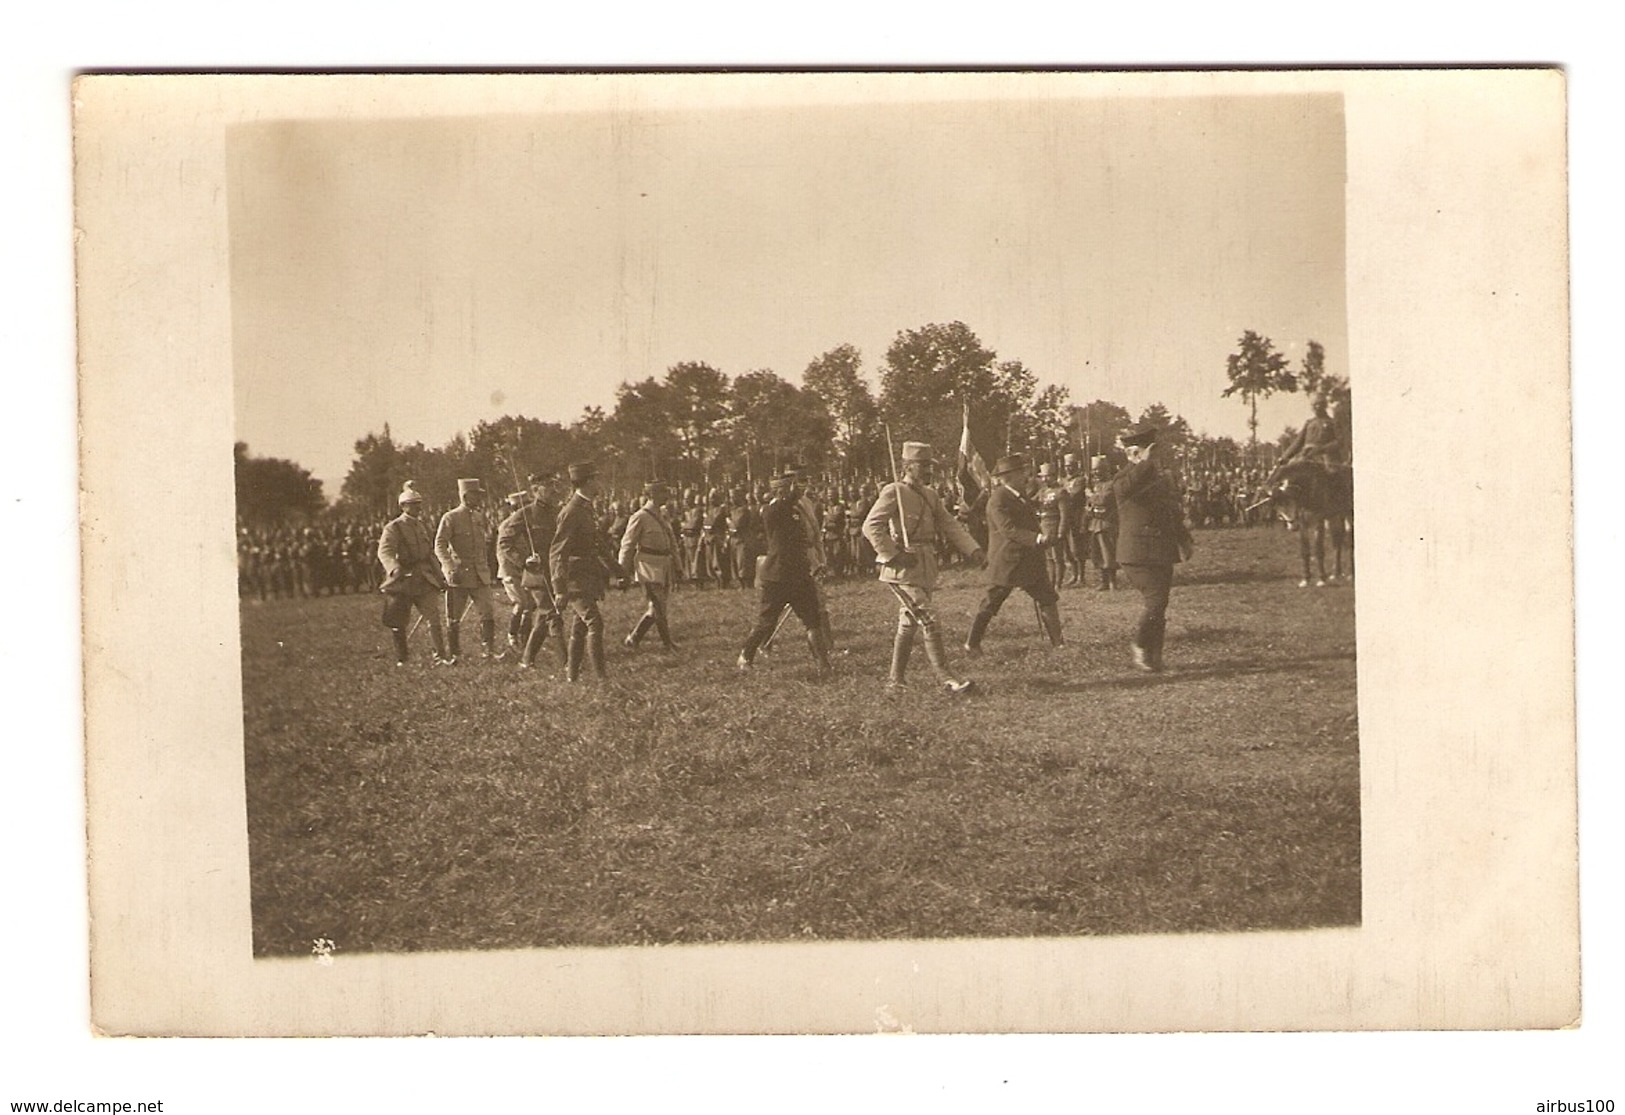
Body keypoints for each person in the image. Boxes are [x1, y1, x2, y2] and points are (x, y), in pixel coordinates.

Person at [862, 441, 983, 693]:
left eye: (930, 465)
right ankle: (947, 679)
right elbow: (870, 526)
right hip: (901, 571)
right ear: (907, 466)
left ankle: (895, 682)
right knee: (930, 619)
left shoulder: (931, 495)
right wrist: (894, 555)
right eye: (923, 465)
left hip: (925, 568)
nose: (929, 470)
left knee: (909, 622)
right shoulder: (893, 491)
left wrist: (974, 549)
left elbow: (950, 525)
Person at [1112, 422, 1193, 672]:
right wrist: (1145, 462)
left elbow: (1170, 511)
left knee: (1160, 604)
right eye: (1149, 452)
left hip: (1161, 550)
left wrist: (1183, 538)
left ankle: (1154, 657)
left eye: (1154, 453)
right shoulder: (1122, 478)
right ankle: (1140, 646)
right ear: (1132, 454)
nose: (1154, 458)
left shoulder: (1160, 479)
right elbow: (1127, 488)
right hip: (1135, 553)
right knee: (1155, 602)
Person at [964, 453, 1065, 653]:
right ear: (1008, 477)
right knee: (991, 603)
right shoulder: (998, 499)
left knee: (1047, 598)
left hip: (1028, 560)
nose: (1026, 476)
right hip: (1007, 561)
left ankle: (1059, 644)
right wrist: (1036, 538)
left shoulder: (1019, 495)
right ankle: (971, 643)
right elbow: (1008, 530)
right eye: (1021, 472)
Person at [736, 470, 831, 673]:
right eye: (794, 485)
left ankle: (823, 664)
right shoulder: (772, 510)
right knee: (766, 621)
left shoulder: (796, 509)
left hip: (800, 575)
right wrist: (782, 495)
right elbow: (772, 512)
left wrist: (815, 565)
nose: (799, 489)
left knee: (812, 620)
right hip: (777, 576)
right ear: (783, 490)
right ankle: (745, 656)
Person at [550, 461, 617, 682]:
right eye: (595, 479)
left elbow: (598, 543)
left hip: (588, 575)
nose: (599, 483)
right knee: (594, 622)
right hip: (575, 578)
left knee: (579, 627)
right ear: (587, 482)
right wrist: (559, 588)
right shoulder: (571, 511)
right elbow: (557, 551)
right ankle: (602, 679)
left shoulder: (585, 508)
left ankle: (571, 676)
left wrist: (618, 570)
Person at [376, 481, 451, 666]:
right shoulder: (393, 527)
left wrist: (440, 577)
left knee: (433, 618)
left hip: (424, 579)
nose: (418, 507)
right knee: (399, 621)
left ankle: (440, 656)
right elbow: (384, 552)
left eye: (419, 504)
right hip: (402, 581)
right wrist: (394, 568)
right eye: (413, 504)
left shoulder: (421, 526)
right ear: (403, 506)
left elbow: (429, 554)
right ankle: (403, 658)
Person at [496, 479, 565, 670]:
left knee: (544, 616)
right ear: (535, 490)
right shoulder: (524, 514)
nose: (553, 490)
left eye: (554, 486)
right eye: (548, 487)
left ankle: (526, 660)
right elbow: (505, 542)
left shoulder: (556, 512)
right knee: (553, 615)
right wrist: (524, 560)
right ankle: (567, 665)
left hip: (555, 572)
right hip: (537, 574)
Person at [435, 478, 503, 662]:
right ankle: (455, 654)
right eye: (476, 495)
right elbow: (440, 545)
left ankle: (488, 651)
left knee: (487, 612)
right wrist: (449, 567)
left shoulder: (479, 517)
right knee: (454, 616)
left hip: (480, 574)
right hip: (459, 575)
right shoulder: (451, 518)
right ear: (465, 496)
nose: (479, 498)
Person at [618, 480, 681, 652]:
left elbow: (672, 542)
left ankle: (634, 638)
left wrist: (678, 565)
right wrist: (622, 572)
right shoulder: (640, 517)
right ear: (652, 495)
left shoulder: (663, 515)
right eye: (663, 493)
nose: (666, 497)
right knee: (659, 605)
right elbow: (627, 545)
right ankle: (668, 644)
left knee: (655, 608)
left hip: (664, 565)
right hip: (648, 566)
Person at [1085, 454, 1120, 590]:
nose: (1096, 474)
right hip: (1095, 522)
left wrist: (1091, 495)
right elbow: (1089, 503)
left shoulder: (1111, 484)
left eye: (1099, 471)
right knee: (1097, 552)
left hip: (1107, 522)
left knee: (1108, 552)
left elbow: (1104, 500)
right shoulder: (1096, 485)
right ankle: (1104, 580)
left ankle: (1112, 581)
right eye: (1094, 471)